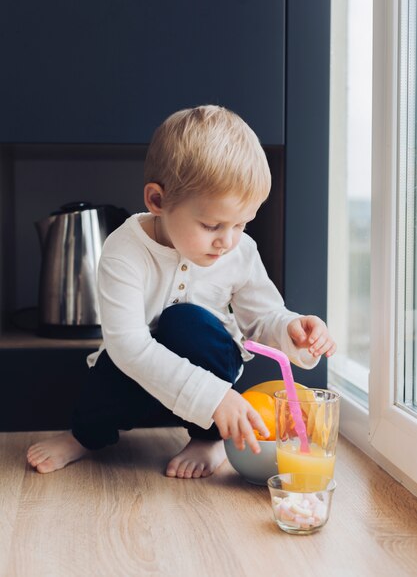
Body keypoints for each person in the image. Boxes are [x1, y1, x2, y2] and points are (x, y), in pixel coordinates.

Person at [27, 105, 336, 479]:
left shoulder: (239, 250)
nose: (227, 241)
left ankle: (208, 440)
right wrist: (212, 398)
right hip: (135, 376)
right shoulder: (124, 250)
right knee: (111, 368)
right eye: (211, 225)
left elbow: (264, 317)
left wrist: (291, 332)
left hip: (210, 372)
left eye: (241, 223)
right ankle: (84, 437)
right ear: (157, 201)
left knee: (186, 322)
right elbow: (129, 347)